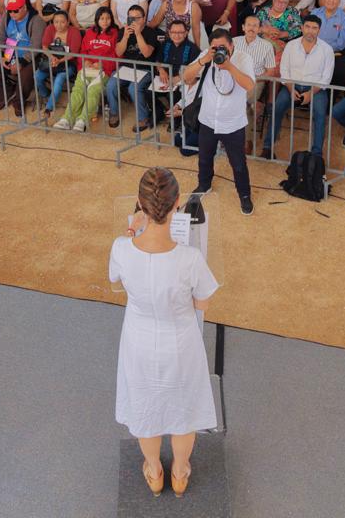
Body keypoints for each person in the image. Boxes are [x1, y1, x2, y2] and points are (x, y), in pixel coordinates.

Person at [110, 168, 219, 499]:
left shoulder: (121, 248)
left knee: (147, 407)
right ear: (177, 205)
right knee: (184, 410)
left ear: (140, 206)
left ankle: (154, 471)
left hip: (139, 341)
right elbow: (203, 303)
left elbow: (116, 280)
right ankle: (180, 471)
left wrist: (132, 230)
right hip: (180, 342)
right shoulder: (190, 258)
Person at [182, 27, 256, 214]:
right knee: (205, 158)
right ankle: (204, 184)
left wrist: (229, 66)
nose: (219, 51)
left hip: (233, 123)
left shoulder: (243, 59)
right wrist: (203, 60)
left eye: (223, 47)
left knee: (238, 163)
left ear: (232, 45)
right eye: (215, 48)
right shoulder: (207, 57)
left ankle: (244, 195)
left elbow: (249, 85)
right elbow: (186, 77)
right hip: (208, 119)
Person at [263, 14, 334, 159]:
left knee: (320, 115)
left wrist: (311, 93)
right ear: (302, 28)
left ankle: (316, 154)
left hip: (316, 89)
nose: (310, 31)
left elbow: (326, 78)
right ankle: (267, 147)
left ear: (319, 30)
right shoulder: (291, 45)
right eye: (307, 27)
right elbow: (284, 70)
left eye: (314, 28)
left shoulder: (327, 49)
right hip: (291, 86)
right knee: (276, 109)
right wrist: (290, 88)